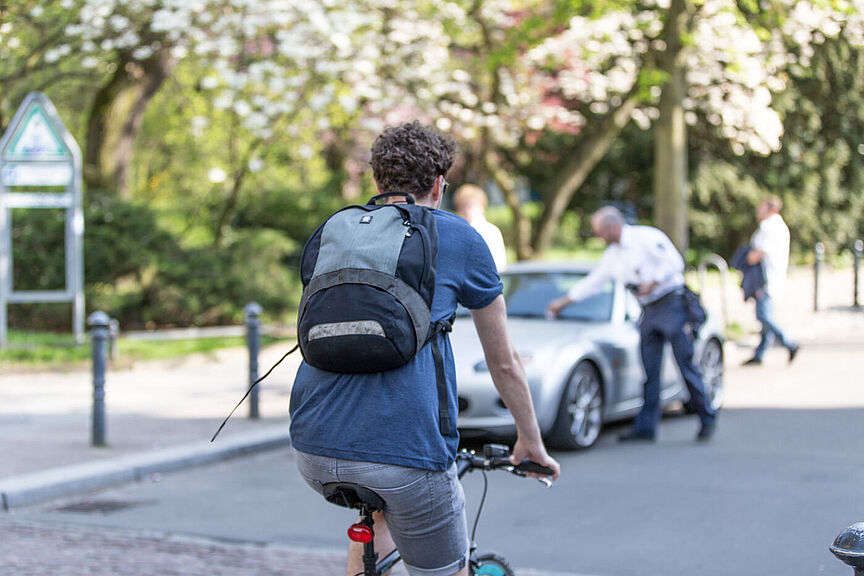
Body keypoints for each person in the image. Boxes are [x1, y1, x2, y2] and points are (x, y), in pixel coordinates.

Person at [289, 121, 560, 576]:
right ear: (439, 184)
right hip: (406, 454)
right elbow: (505, 363)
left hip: (313, 447)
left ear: (378, 182)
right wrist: (529, 440)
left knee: (376, 522)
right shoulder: (458, 237)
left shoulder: (338, 231)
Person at [546, 206, 716, 442]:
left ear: (612, 227)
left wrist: (653, 283)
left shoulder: (646, 238)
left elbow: (674, 262)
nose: (599, 237)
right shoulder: (612, 256)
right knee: (649, 371)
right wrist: (562, 303)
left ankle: (707, 417)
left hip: (671, 304)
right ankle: (646, 428)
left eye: (600, 232)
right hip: (648, 310)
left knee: (685, 364)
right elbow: (593, 283)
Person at [742, 196, 799, 366]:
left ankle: (789, 343)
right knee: (765, 315)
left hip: (765, 278)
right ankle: (760, 353)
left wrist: (744, 258)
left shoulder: (769, 227)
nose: (758, 211)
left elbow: (755, 255)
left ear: (771, 209)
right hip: (774, 276)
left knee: (763, 315)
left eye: (761, 208)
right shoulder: (779, 226)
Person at [452, 183, 507, 271]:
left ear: (482, 206)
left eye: (470, 205)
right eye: (462, 206)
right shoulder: (458, 232)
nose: (466, 210)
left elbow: (499, 265)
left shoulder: (490, 231)